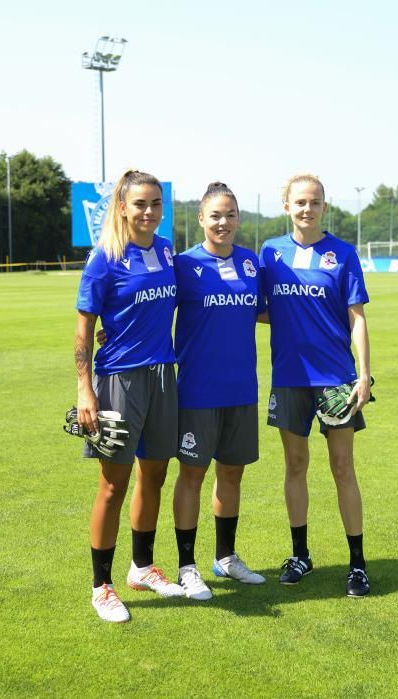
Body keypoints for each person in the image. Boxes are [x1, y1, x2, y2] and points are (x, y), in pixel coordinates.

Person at [75, 169, 183, 623]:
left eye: (156, 203)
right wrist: (85, 390)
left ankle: (142, 568)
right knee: (113, 485)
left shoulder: (165, 250)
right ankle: (102, 586)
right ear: (122, 207)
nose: (149, 212)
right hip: (119, 380)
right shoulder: (105, 256)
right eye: (140, 204)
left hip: (163, 379)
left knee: (154, 478)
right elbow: (84, 329)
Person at [259, 172, 372, 597]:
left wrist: (363, 373)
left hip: (337, 380)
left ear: (325, 207)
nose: (307, 209)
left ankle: (357, 564)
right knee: (295, 466)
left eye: (315, 202)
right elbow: (252, 307)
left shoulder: (342, 254)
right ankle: (300, 555)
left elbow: (356, 317)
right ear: (286, 206)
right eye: (300, 202)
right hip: (290, 376)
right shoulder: (270, 253)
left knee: (343, 467)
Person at [171, 182, 267, 600]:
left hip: (241, 389)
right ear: (201, 219)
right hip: (197, 391)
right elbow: (151, 305)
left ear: (238, 218)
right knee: (192, 476)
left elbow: (268, 311)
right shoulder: (183, 265)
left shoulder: (251, 263)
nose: (223, 222)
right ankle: (187, 567)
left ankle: (225, 558)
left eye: (230, 214)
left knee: (232, 474)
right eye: (215, 215)